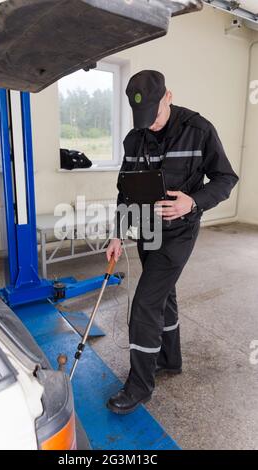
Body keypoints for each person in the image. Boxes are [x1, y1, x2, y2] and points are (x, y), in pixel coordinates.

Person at [106, 70, 239, 415]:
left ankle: (140, 386)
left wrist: (192, 202)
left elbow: (225, 178)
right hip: (146, 230)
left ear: (168, 96)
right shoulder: (135, 138)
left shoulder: (199, 129)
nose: (149, 126)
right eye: (143, 120)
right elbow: (125, 190)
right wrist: (118, 232)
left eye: (155, 116)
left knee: (145, 304)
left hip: (179, 232)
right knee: (165, 295)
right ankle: (169, 359)